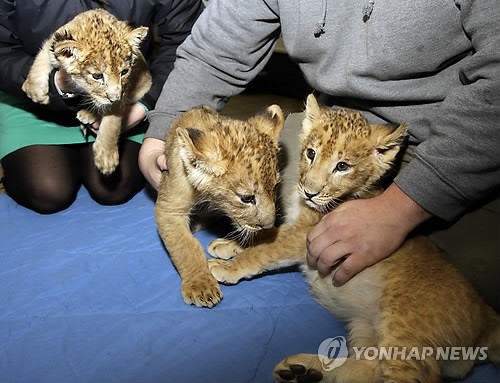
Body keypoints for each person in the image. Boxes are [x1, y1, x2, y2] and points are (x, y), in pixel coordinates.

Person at [139, 0, 500, 309]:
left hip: (456, 138)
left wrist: (403, 207)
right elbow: (215, 48)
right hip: (324, 133)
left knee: (459, 289)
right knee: (254, 198)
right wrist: (164, 131)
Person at [0, 0, 204, 214]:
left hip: (127, 93)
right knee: (47, 191)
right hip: (32, 93)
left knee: (114, 188)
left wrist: (145, 105)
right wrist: (54, 83)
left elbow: (186, 41)